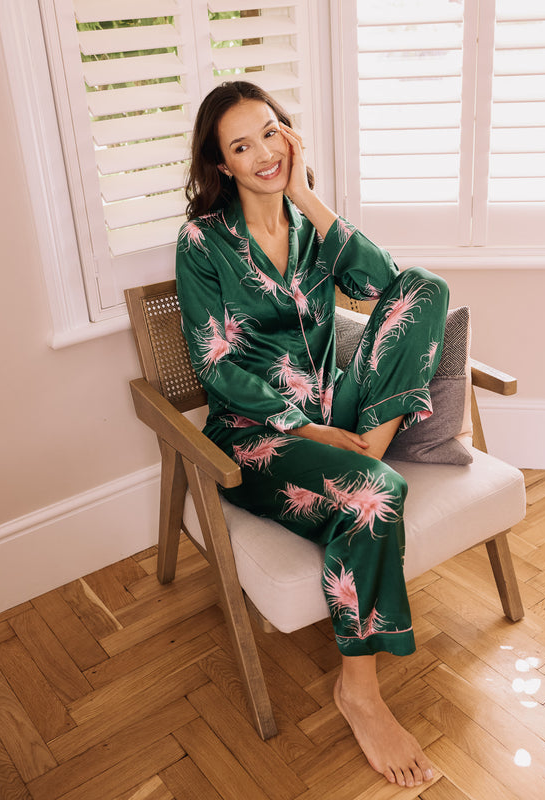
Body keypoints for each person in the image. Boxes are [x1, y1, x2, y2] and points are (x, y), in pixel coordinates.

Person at [176, 80, 448, 788]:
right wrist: (304, 426)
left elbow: (389, 285)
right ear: (221, 164)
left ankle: (366, 457)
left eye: (271, 132)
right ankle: (359, 692)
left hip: (339, 409)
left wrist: (305, 196)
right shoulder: (203, 242)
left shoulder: (311, 229)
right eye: (242, 145)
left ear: (289, 135)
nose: (263, 152)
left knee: (427, 286)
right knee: (376, 496)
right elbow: (215, 365)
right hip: (259, 434)